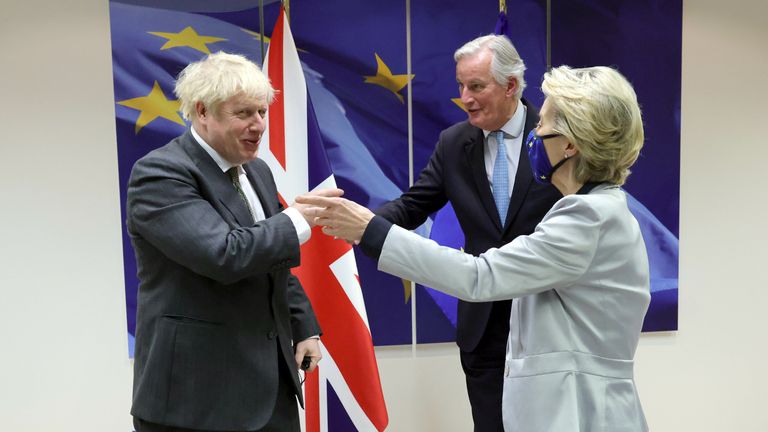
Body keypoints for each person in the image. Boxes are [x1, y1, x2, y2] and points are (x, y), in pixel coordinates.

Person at [300, 65, 650, 431]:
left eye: (543, 124)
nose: (535, 134)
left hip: (580, 412)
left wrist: (373, 231)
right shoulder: (596, 209)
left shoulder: (587, 216)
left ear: (571, 144)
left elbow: (480, 275)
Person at [126, 52, 340, 432]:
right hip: (194, 401)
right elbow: (224, 254)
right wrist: (297, 220)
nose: (258, 125)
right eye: (244, 114)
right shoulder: (160, 173)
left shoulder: (257, 170)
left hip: (269, 390)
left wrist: (302, 324)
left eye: (262, 112)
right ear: (202, 111)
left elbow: (270, 259)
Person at [373, 34, 561, 430]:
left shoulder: (555, 138)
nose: (465, 97)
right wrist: (360, 226)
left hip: (549, 320)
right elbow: (412, 206)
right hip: (484, 326)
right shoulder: (454, 143)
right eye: (460, 85)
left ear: (511, 85)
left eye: (476, 86)